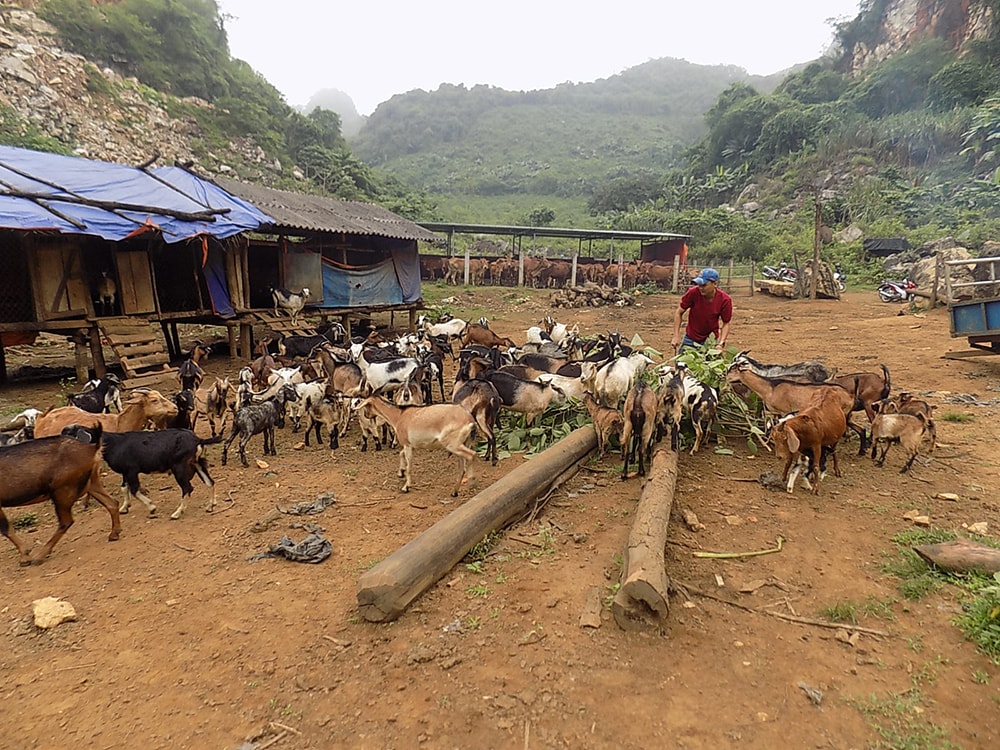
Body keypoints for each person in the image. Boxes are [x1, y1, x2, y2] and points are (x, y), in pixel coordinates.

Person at [670, 267, 733, 354]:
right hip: (691, 338)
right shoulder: (693, 293)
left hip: (710, 340)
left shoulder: (725, 300)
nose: (700, 288)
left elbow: (726, 323)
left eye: (704, 285)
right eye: (699, 284)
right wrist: (676, 336)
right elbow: (679, 312)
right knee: (681, 364)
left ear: (715, 284)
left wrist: (720, 344)